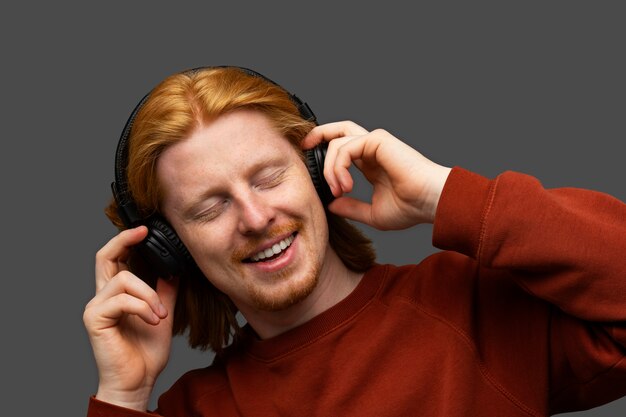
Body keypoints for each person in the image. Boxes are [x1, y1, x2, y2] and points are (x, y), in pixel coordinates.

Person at [83, 66, 626, 417]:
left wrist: (446, 194)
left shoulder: (472, 309)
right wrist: (122, 398)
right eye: (210, 207)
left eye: (269, 176)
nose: (254, 216)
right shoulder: (195, 409)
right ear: (169, 247)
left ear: (316, 169)